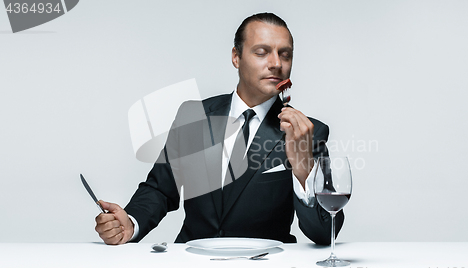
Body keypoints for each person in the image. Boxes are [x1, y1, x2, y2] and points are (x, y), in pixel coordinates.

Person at [95, 12, 344, 245]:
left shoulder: (308, 132)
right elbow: (161, 189)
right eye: (262, 52)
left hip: (266, 267)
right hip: (191, 261)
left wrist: (304, 170)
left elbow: (325, 233)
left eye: (285, 54)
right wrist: (131, 223)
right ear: (236, 57)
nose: (276, 63)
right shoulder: (193, 116)